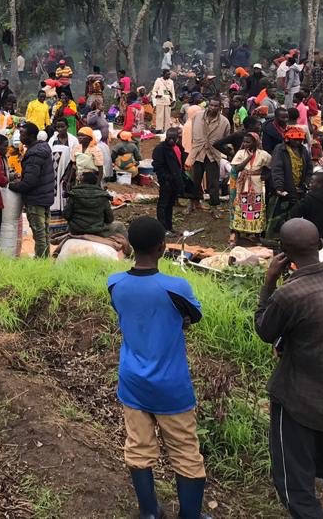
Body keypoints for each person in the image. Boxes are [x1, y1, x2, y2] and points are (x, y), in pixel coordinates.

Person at [255, 218, 323, 517]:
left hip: (299, 401)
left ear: (283, 254)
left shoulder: (290, 295)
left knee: (294, 487)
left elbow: (265, 331)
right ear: (321, 244)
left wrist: (269, 282)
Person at [109, 216, 207, 519]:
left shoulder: (115, 284)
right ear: (163, 248)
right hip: (171, 385)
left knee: (138, 447)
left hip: (132, 380)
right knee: (186, 452)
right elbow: (193, 317)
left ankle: (150, 513)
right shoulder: (176, 287)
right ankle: (190, 515)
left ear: (128, 246)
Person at [8, 122, 56, 256]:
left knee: (39, 233)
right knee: (44, 232)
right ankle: (44, 259)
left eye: (22, 133)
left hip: (36, 199)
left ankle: (40, 261)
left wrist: (11, 185)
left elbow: (30, 182)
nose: (20, 135)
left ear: (31, 135)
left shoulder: (34, 154)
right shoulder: (42, 149)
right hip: (45, 196)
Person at [188, 98, 231, 218]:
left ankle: (215, 206)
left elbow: (226, 139)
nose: (213, 107)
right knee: (195, 180)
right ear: (208, 105)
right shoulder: (197, 117)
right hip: (198, 152)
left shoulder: (224, 122)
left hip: (213, 154)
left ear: (220, 107)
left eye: (216, 106)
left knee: (213, 183)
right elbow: (192, 134)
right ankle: (192, 203)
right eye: (211, 105)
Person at [64, 171, 128, 249]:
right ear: (95, 183)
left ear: (81, 182)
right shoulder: (103, 196)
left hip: (76, 230)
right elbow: (110, 219)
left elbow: (66, 215)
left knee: (67, 228)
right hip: (98, 231)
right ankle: (129, 253)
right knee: (120, 226)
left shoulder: (73, 194)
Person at [269, 126, 312, 237]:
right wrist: (279, 187)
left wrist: (306, 183)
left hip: (300, 188)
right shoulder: (280, 149)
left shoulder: (303, 151)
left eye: (300, 140)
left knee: (296, 213)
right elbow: (277, 169)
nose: (298, 142)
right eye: (295, 140)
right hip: (285, 189)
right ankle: (278, 235)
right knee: (280, 214)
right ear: (288, 139)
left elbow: (309, 169)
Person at [229, 133, 271, 244]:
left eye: (248, 142)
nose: (245, 144)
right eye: (244, 141)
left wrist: (265, 176)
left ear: (256, 142)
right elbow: (237, 168)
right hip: (243, 184)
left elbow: (271, 166)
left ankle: (256, 234)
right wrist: (249, 158)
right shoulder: (241, 153)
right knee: (241, 208)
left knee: (256, 207)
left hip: (256, 183)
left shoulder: (263, 154)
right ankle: (238, 232)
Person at [151, 128, 184, 234]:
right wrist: (167, 178)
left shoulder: (178, 147)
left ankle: (169, 227)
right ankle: (162, 228)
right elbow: (157, 166)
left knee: (170, 205)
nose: (171, 141)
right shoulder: (160, 149)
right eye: (169, 138)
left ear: (177, 138)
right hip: (166, 181)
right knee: (163, 204)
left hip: (175, 181)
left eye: (173, 139)